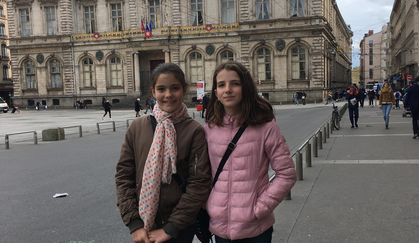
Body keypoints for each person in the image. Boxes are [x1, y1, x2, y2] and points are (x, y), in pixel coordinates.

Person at [115, 63, 212, 243]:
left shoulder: (194, 131)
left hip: (180, 228)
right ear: (153, 91)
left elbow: (199, 183)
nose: (168, 95)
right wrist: (134, 223)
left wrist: (171, 228)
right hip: (143, 225)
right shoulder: (137, 128)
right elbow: (123, 176)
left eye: (174, 88)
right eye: (161, 89)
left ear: (184, 90)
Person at [204, 61, 297, 243]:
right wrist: (209, 204)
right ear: (216, 92)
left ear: (245, 88)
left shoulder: (265, 126)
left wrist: (260, 208)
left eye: (235, 83)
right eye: (221, 85)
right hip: (220, 227)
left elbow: (287, 174)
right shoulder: (210, 128)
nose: (228, 89)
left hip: (255, 229)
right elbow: (203, 174)